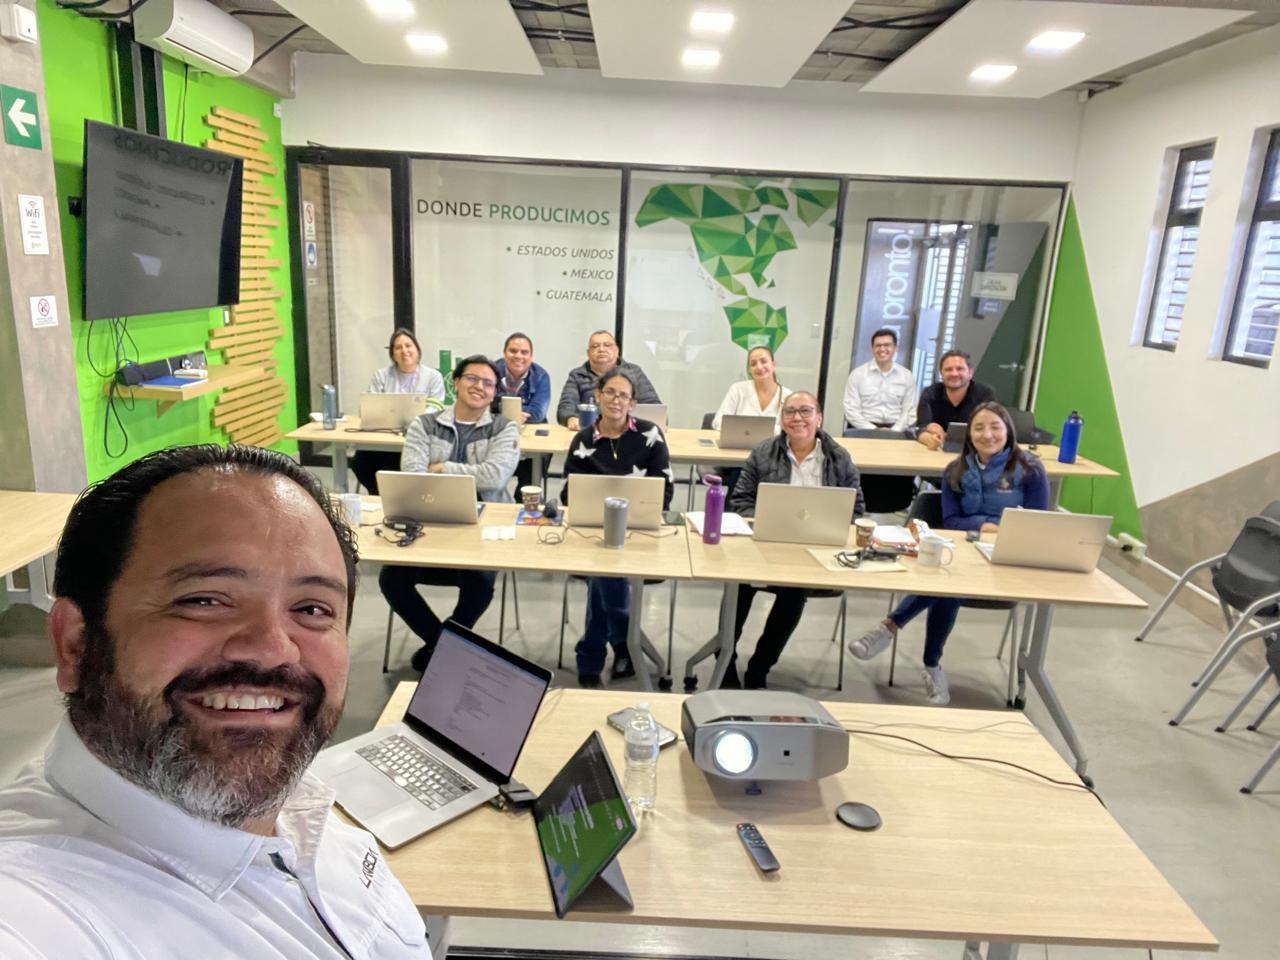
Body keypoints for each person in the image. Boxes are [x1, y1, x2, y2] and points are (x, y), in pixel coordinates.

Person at [0, 445, 430, 958]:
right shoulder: (33, 908)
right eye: (203, 600)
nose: (272, 649)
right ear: (75, 643)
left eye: (312, 609)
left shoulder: (300, 804)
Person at [849, 402, 1049, 706]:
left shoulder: (1030, 469)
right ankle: (931, 666)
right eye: (979, 428)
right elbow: (952, 522)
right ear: (969, 434)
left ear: (1008, 430)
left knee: (949, 582)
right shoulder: (956, 470)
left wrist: (993, 530)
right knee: (949, 582)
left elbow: (1036, 524)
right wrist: (988, 526)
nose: (987, 435)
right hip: (966, 550)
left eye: (995, 427)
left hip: (1010, 557)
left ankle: (889, 628)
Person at [379, 355, 520, 671]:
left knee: (480, 583)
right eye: (472, 378)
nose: (479, 387)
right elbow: (413, 473)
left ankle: (442, 647)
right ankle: (442, 643)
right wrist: (467, 473)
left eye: (488, 383)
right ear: (455, 382)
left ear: (494, 393)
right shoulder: (424, 424)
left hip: (482, 528)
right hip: (428, 523)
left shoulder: (504, 428)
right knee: (392, 579)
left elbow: (495, 476)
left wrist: (442, 468)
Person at [724, 391, 865, 689]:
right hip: (766, 543)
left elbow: (856, 509)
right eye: (789, 411)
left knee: (793, 594)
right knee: (738, 586)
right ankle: (725, 661)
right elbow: (741, 501)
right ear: (781, 418)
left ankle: (760, 667)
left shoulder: (839, 458)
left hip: (815, 549)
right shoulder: (763, 452)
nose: (797, 418)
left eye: (805, 411)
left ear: (819, 418)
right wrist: (764, 522)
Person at [563, 368, 673, 687]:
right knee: (605, 571)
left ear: (633, 403)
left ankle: (591, 656)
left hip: (640, 530)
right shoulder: (583, 440)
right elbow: (569, 494)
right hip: (592, 530)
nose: (616, 400)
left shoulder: (650, 435)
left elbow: (664, 491)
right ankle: (625, 643)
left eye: (624, 395)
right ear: (597, 395)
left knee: (603, 576)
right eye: (610, 392)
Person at [352, 327, 447, 495]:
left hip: (418, 438)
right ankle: (380, 495)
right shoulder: (381, 375)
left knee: (408, 465)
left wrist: (415, 422)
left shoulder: (433, 376)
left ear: (417, 349)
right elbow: (369, 406)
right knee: (361, 462)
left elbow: (436, 407)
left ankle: (403, 496)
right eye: (398, 347)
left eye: (408, 345)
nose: (404, 351)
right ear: (392, 354)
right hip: (382, 438)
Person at [557, 329, 660, 429]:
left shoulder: (634, 372)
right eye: (595, 346)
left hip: (630, 432)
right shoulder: (577, 375)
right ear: (588, 353)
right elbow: (565, 407)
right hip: (590, 433)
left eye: (607, 345)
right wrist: (570, 418)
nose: (601, 349)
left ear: (617, 351)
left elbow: (655, 408)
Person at [493, 331, 552, 490]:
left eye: (524, 352)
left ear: (531, 357)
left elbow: (538, 413)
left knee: (529, 480)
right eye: (513, 351)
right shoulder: (491, 372)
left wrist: (500, 408)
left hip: (531, 431)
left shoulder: (541, 376)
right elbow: (483, 405)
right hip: (496, 430)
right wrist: (512, 413)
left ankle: (525, 497)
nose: (518, 356)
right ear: (504, 353)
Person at [915, 349, 996, 451]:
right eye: (948, 369)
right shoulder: (930, 393)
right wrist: (930, 437)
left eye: (959, 369)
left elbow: (990, 429)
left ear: (970, 372)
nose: (954, 373)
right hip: (938, 452)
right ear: (941, 373)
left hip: (975, 452)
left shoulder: (985, 394)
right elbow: (921, 428)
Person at [843, 327, 917, 430]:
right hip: (863, 429)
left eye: (887, 345)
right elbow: (850, 409)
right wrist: (874, 430)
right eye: (878, 345)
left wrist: (894, 430)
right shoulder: (857, 375)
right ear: (872, 349)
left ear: (895, 348)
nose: (882, 349)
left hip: (897, 429)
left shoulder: (907, 376)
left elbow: (909, 411)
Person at [712, 344, 792, 429]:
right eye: (753, 364)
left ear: (773, 364)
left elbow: (791, 428)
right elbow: (718, 421)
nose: (759, 367)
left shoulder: (788, 396)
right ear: (749, 370)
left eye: (763, 361)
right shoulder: (737, 390)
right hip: (739, 438)